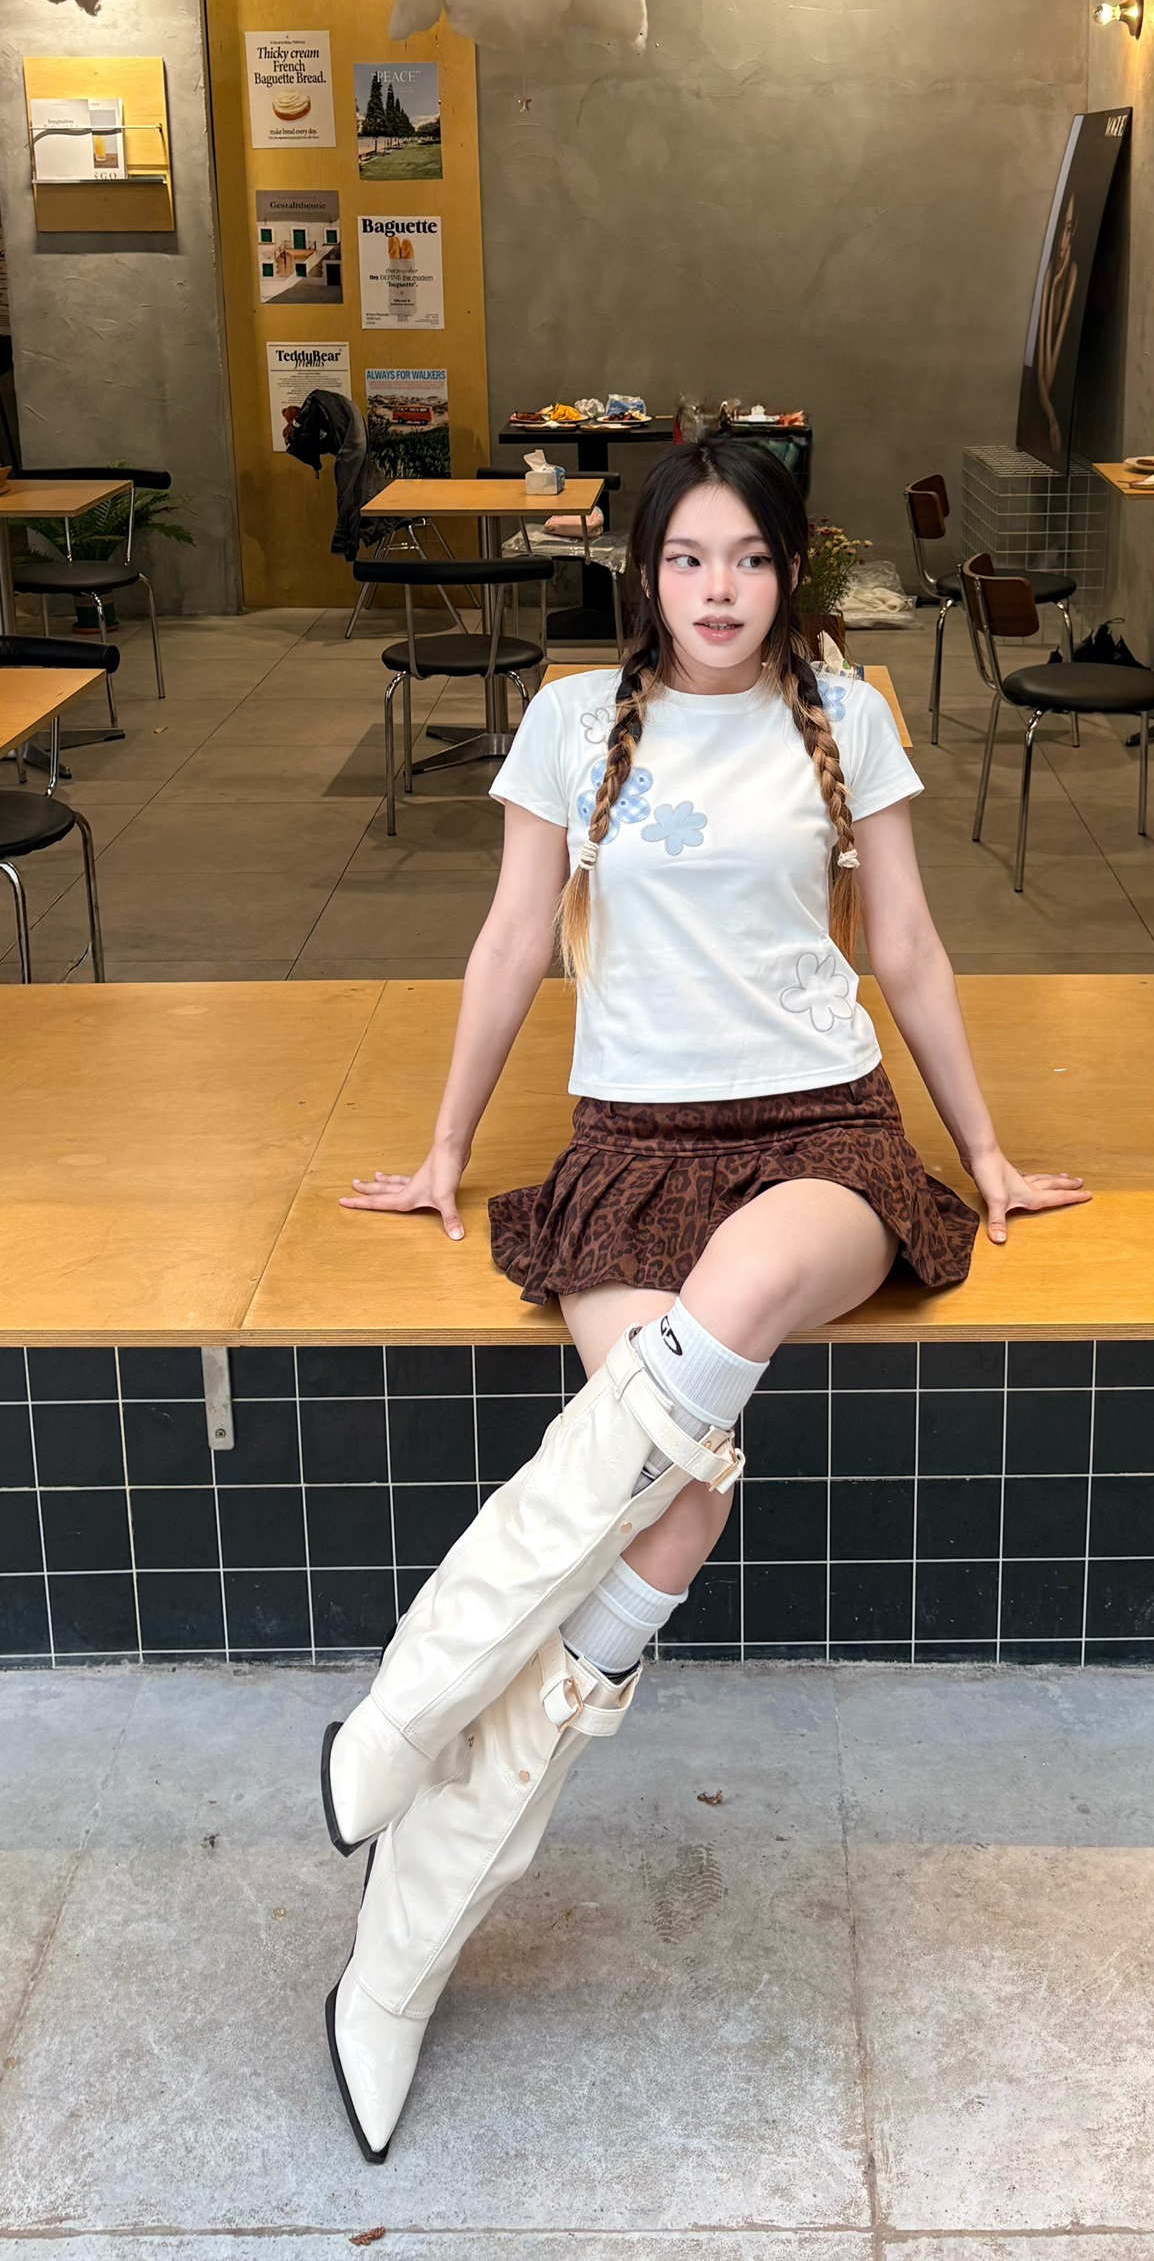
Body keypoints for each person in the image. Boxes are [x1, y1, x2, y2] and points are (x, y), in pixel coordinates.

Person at [321, 435, 1089, 2161]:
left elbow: (905, 948)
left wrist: (984, 1150)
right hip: (629, 1146)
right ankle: (399, 1951)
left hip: (822, 1138)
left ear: (788, 570)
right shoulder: (569, 720)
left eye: (746, 557)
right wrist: (443, 1147)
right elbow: (510, 941)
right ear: (644, 574)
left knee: (733, 1299)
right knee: (674, 1499)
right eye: (686, 559)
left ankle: (404, 1708)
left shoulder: (850, 716)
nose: (717, 589)